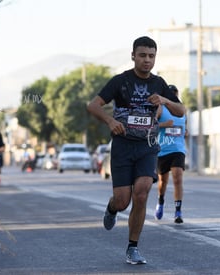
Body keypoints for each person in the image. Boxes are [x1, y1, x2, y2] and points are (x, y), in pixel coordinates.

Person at [87, 36, 185, 265]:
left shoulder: (159, 83)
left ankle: (133, 247)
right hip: (122, 145)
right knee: (123, 201)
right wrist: (110, 122)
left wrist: (164, 100)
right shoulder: (120, 81)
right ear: (133, 56)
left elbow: (181, 110)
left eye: (151, 56)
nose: (147, 60)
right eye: (142, 55)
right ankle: (112, 208)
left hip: (147, 146)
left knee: (141, 193)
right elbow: (92, 105)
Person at [154, 85, 188, 224]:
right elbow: (151, 125)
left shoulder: (181, 110)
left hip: (178, 149)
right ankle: (160, 201)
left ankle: (178, 211)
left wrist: (186, 132)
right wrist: (164, 125)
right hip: (163, 149)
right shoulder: (160, 109)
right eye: (171, 95)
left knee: (178, 178)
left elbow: (185, 127)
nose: (173, 98)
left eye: (175, 95)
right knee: (163, 182)